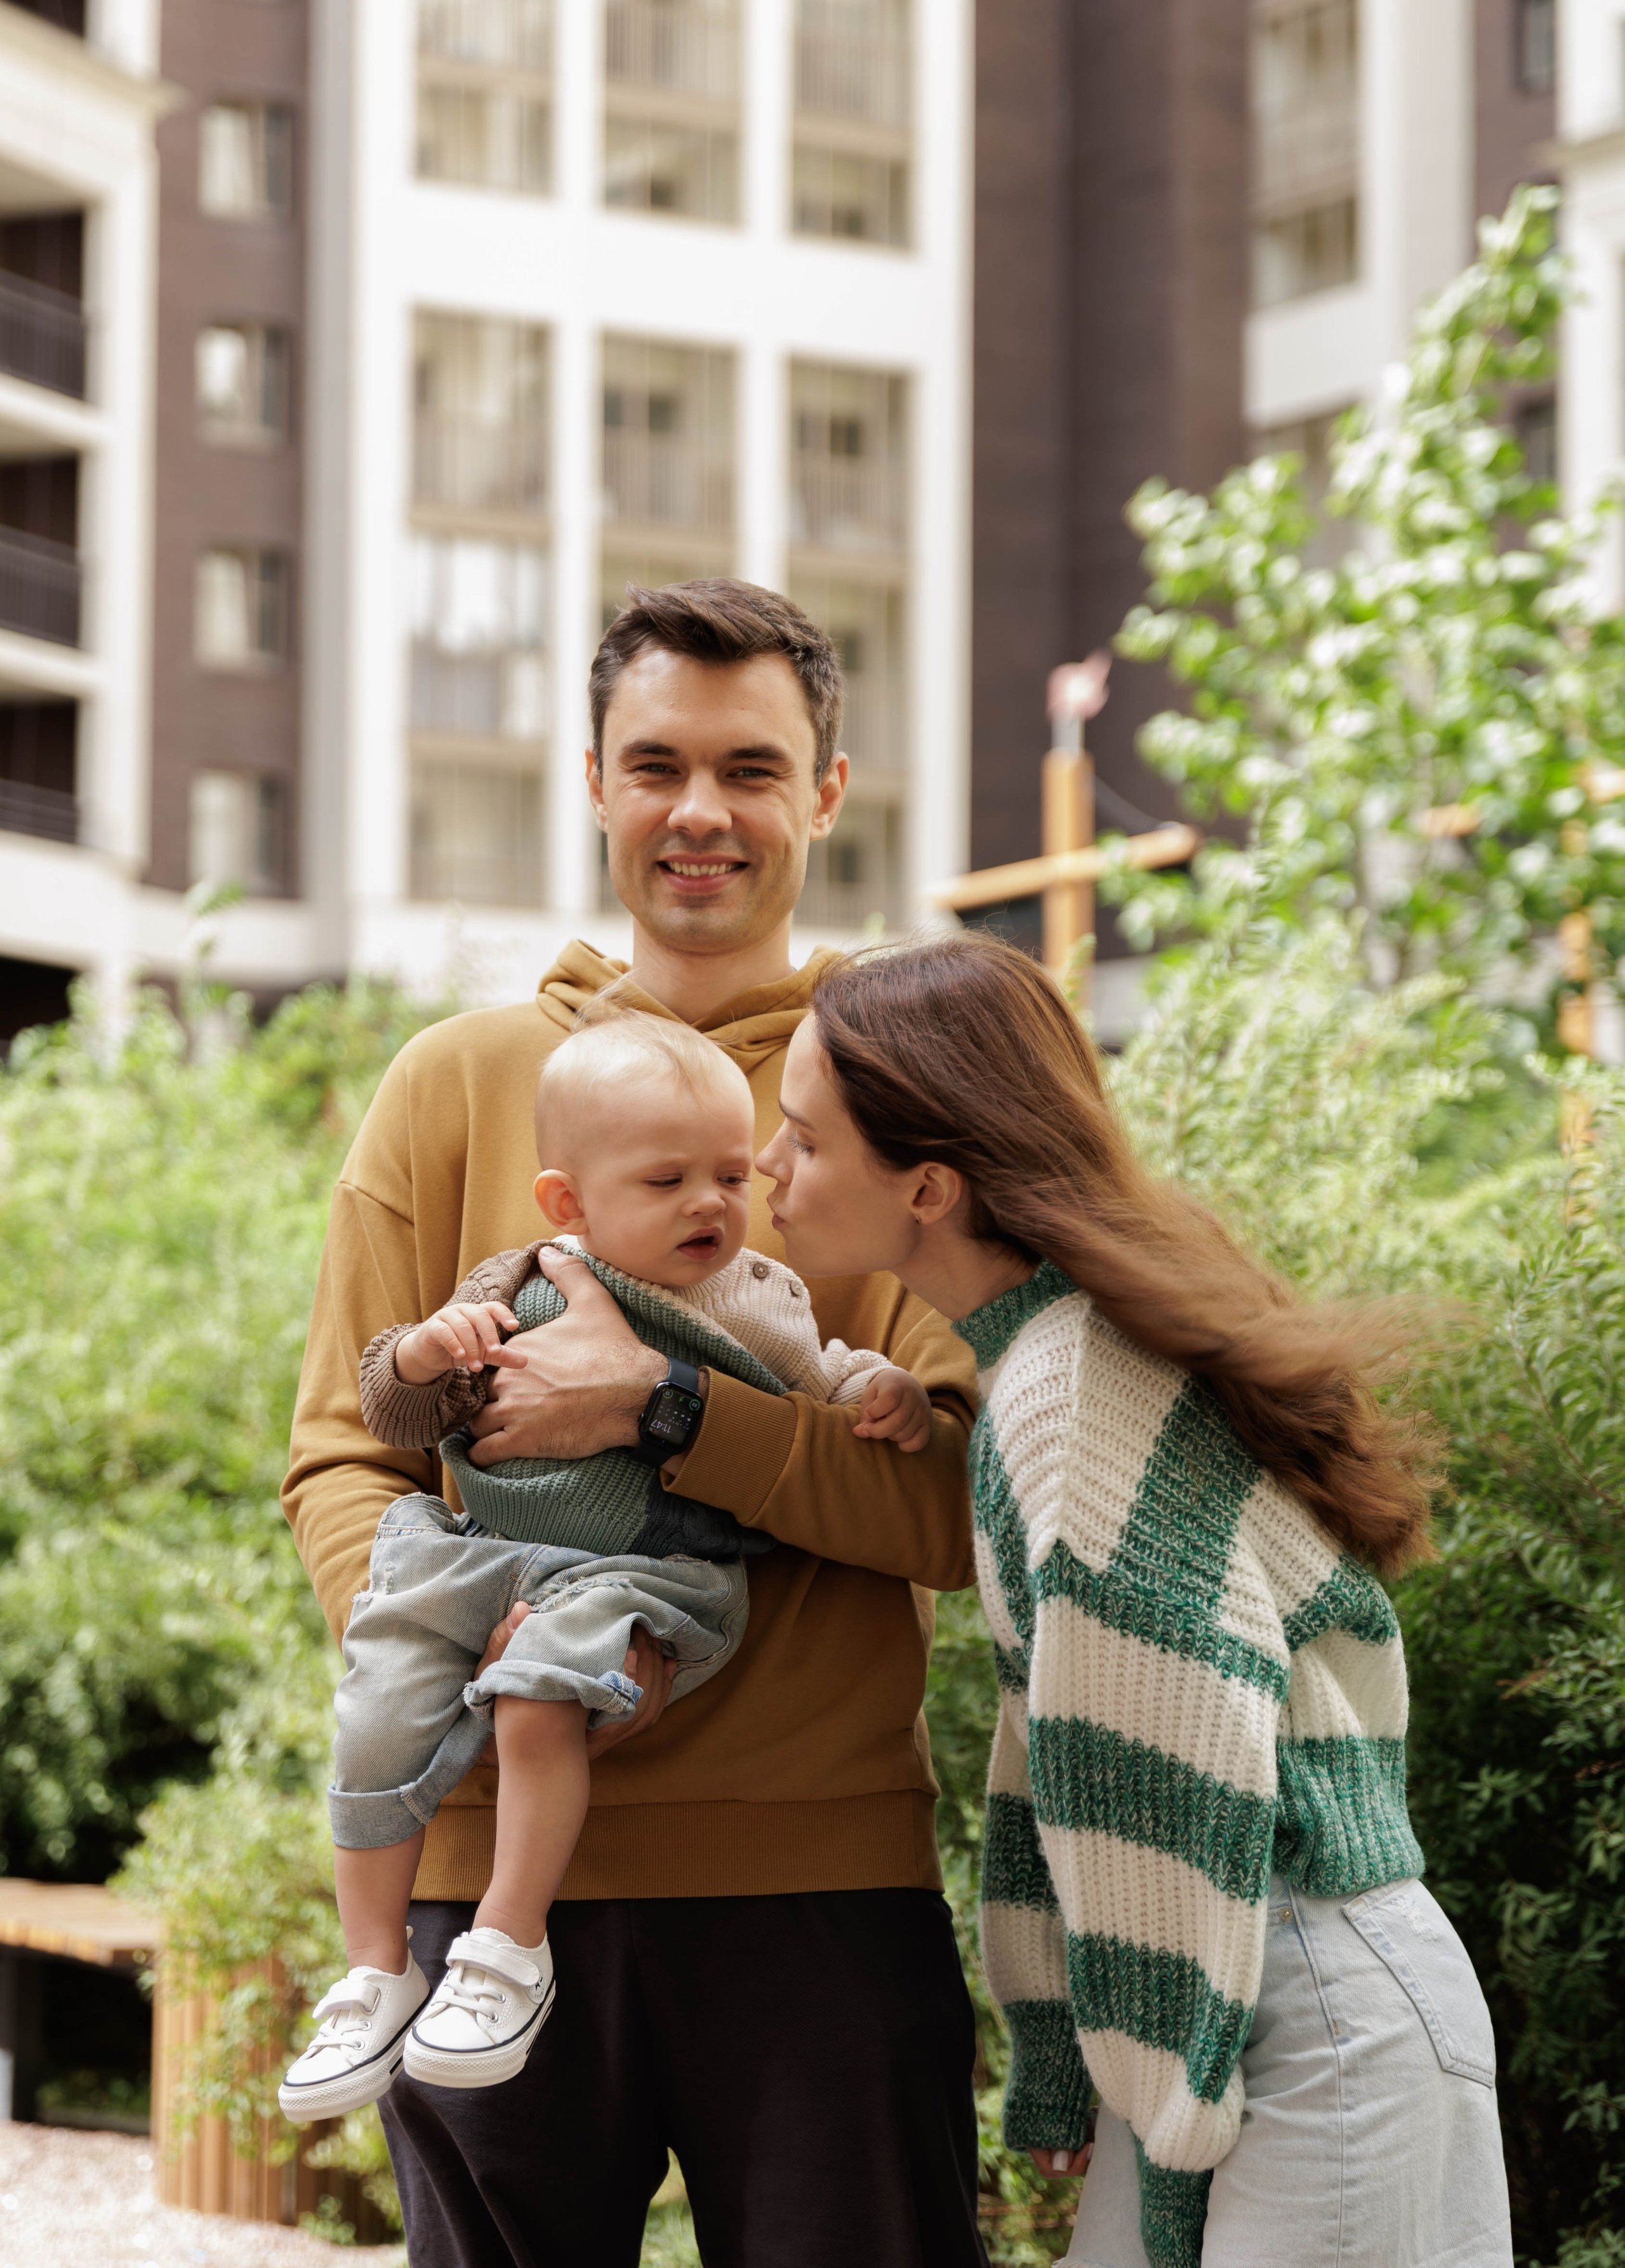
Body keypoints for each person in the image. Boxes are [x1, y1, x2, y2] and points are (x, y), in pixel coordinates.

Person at [282, 580, 989, 2268]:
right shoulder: (454, 1083)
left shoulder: (899, 1094)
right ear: (592, 782)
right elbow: (340, 1451)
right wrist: (459, 1654)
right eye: (655, 763)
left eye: (752, 769)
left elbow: (958, 1514)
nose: (699, 813)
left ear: (827, 791)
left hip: (814, 1876)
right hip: (488, 1889)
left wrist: (668, 1410)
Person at [757, 931, 1514, 2268]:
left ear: (925, 1185)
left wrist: (1161, 2102)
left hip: (1289, 2001)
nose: (767, 1167)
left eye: (802, 1141)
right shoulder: (1046, 1368)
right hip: (1245, 1987)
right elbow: (1056, 1741)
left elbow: (1168, 1764)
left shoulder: (1064, 1393)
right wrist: (1068, 2051)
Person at [278, 1004, 931, 2119]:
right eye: (666, 1181)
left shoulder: (756, 1299)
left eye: (732, 1176)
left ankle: (505, 1944)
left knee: (541, 1698)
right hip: (487, 1562)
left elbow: (832, 1383)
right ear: (566, 1202)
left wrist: (885, 1390)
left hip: (651, 1582)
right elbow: (379, 1412)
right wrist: (431, 1353)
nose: (711, 1205)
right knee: (380, 1699)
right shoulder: (510, 1274)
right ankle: (374, 1970)